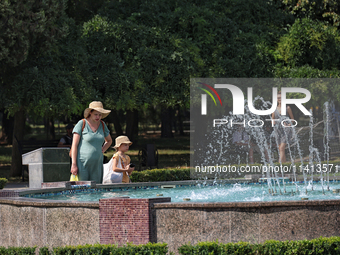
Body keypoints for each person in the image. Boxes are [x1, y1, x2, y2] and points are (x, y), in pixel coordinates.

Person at [70, 101, 112, 183]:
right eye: (96, 114)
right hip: (82, 164)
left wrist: (102, 149)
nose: (98, 117)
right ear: (90, 113)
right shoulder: (82, 123)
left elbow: (109, 141)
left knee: (97, 191)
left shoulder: (102, 125)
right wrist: (74, 164)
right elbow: (74, 145)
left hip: (97, 164)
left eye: (100, 115)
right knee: (82, 191)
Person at [271, 91, 294, 163]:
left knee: (281, 148)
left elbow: (292, 120)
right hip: (278, 130)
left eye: (281, 97)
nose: (279, 99)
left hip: (286, 130)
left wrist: (289, 125)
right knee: (280, 149)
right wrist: (273, 122)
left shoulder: (287, 108)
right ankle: (284, 167)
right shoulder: (274, 109)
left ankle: (279, 166)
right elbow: (272, 119)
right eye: (278, 98)